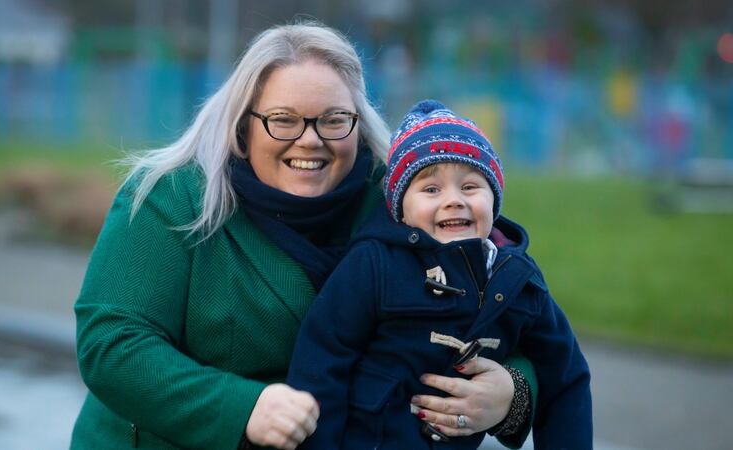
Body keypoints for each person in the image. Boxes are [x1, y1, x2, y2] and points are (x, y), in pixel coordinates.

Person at [71, 22, 539, 450]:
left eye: (333, 119)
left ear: (357, 123)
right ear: (243, 127)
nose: (310, 140)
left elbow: (513, 312)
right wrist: (242, 409)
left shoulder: (403, 204)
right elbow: (113, 343)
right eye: (284, 120)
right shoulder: (172, 196)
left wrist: (509, 394)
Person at [286, 100, 592, 449]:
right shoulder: (374, 264)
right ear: (401, 208)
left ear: (494, 198)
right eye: (431, 189)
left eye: (470, 187)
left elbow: (567, 376)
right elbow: (323, 359)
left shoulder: (518, 281)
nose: (453, 200)